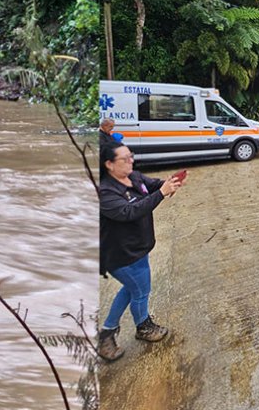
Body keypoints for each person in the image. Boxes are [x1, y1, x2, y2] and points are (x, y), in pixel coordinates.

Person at [98, 141, 183, 362]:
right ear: (108, 164)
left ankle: (108, 331)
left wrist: (168, 183)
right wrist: (161, 194)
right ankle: (142, 327)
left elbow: (152, 184)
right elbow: (130, 211)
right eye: (124, 159)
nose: (130, 161)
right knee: (140, 291)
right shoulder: (106, 192)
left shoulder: (133, 176)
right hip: (120, 254)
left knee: (133, 288)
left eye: (131, 156)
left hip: (138, 248)